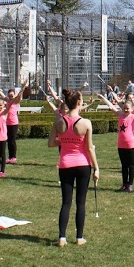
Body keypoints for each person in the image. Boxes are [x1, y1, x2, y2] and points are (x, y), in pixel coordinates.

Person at [49, 88, 100, 246]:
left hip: (65, 164)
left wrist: (64, 141)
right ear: (79, 103)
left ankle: (62, 237)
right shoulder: (86, 123)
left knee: (66, 202)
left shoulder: (58, 122)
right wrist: (97, 168)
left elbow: (51, 143)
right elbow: (89, 147)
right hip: (83, 165)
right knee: (81, 202)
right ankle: (79, 237)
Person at [0, 78, 24, 165]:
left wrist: (23, 87)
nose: (10, 97)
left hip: (13, 123)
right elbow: (0, 92)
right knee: (8, 140)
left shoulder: (16, 101)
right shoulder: (7, 100)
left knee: (12, 140)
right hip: (6, 123)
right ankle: (10, 157)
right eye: (9, 96)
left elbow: (19, 95)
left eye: (12, 96)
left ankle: (13, 157)